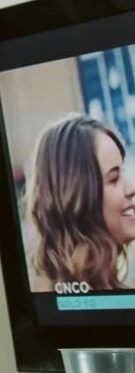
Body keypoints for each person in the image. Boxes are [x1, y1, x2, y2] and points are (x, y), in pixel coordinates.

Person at [25, 112, 135, 293]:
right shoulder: (53, 298)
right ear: (79, 197)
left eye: (122, 171)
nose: (131, 188)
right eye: (114, 178)